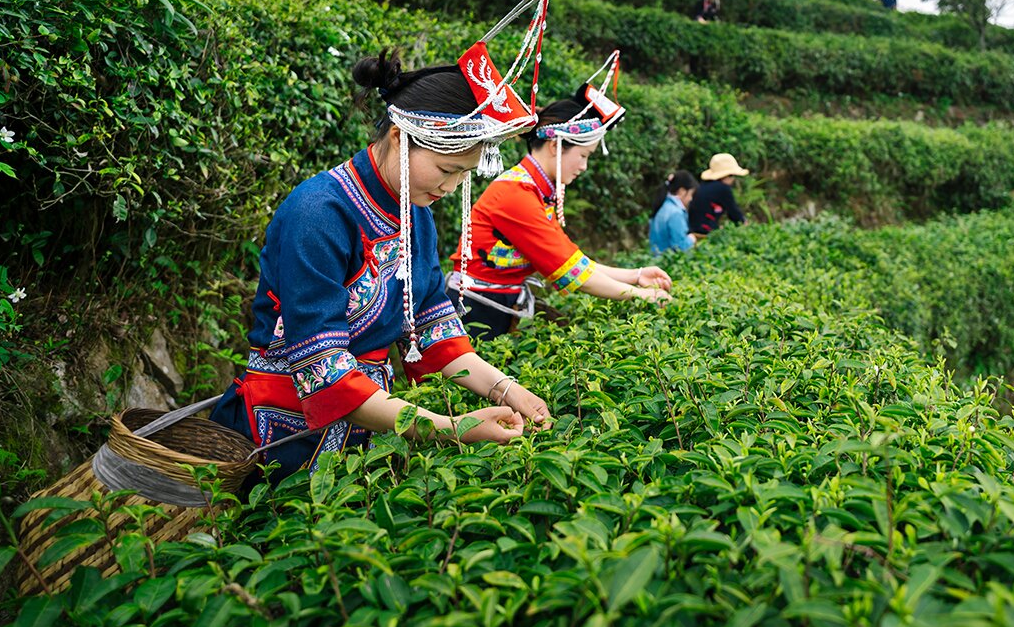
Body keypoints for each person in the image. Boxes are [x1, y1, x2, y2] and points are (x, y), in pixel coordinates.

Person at [209, 35, 551, 476]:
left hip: (368, 431)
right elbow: (323, 370)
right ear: (397, 137)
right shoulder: (318, 214)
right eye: (446, 169)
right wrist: (452, 427)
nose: (449, 188)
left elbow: (434, 331)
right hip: (284, 431)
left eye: (463, 174)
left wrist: (507, 391)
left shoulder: (415, 209)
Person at [454, 55, 674, 341]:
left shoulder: (534, 189)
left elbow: (573, 261)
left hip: (495, 305)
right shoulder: (515, 194)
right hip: (477, 310)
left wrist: (636, 275)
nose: (583, 166)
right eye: (583, 156)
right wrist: (639, 294)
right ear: (556, 147)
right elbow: (571, 271)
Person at [689, 153, 748, 238]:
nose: (733, 180)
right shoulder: (723, 189)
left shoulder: (704, 185)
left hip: (693, 229)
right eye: (732, 176)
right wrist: (744, 222)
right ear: (726, 176)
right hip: (704, 233)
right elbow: (734, 213)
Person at [649, 172, 698, 255]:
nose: (691, 199)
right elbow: (680, 247)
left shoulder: (663, 206)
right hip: (668, 263)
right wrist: (691, 239)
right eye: (691, 194)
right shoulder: (676, 213)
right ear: (682, 191)